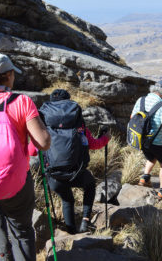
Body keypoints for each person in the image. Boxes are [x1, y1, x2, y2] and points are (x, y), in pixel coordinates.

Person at [0, 53, 51, 261]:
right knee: (22, 232)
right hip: (14, 182)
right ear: (8, 75)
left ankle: (1, 255)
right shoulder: (21, 102)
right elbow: (43, 142)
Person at [40, 89, 111, 234]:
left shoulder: (43, 129)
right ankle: (85, 221)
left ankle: (71, 232)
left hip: (54, 177)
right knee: (90, 185)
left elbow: (30, 150)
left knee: (67, 200)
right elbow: (94, 144)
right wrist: (106, 138)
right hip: (77, 172)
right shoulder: (79, 127)